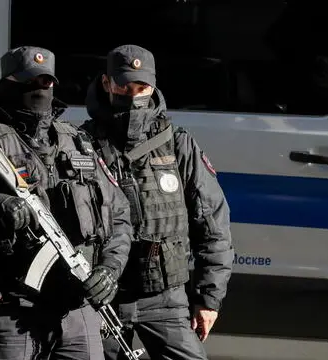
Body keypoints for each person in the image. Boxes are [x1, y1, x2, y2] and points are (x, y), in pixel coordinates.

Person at [0, 46, 134, 360]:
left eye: (47, 82)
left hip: (78, 312)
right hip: (13, 312)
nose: (40, 89)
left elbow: (120, 217)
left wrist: (109, 270)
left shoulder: (78, 143)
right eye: (30, 82)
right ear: (8, 84)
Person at [80, 44, 234, 360]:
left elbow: (213, 223)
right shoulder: (80, 145)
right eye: (124, 86)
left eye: (142, 87)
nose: (133, 95)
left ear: (153, 86)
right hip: (104, 297)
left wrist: (208, 298)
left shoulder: (178, 144)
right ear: (107, 84)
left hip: (165, 297)